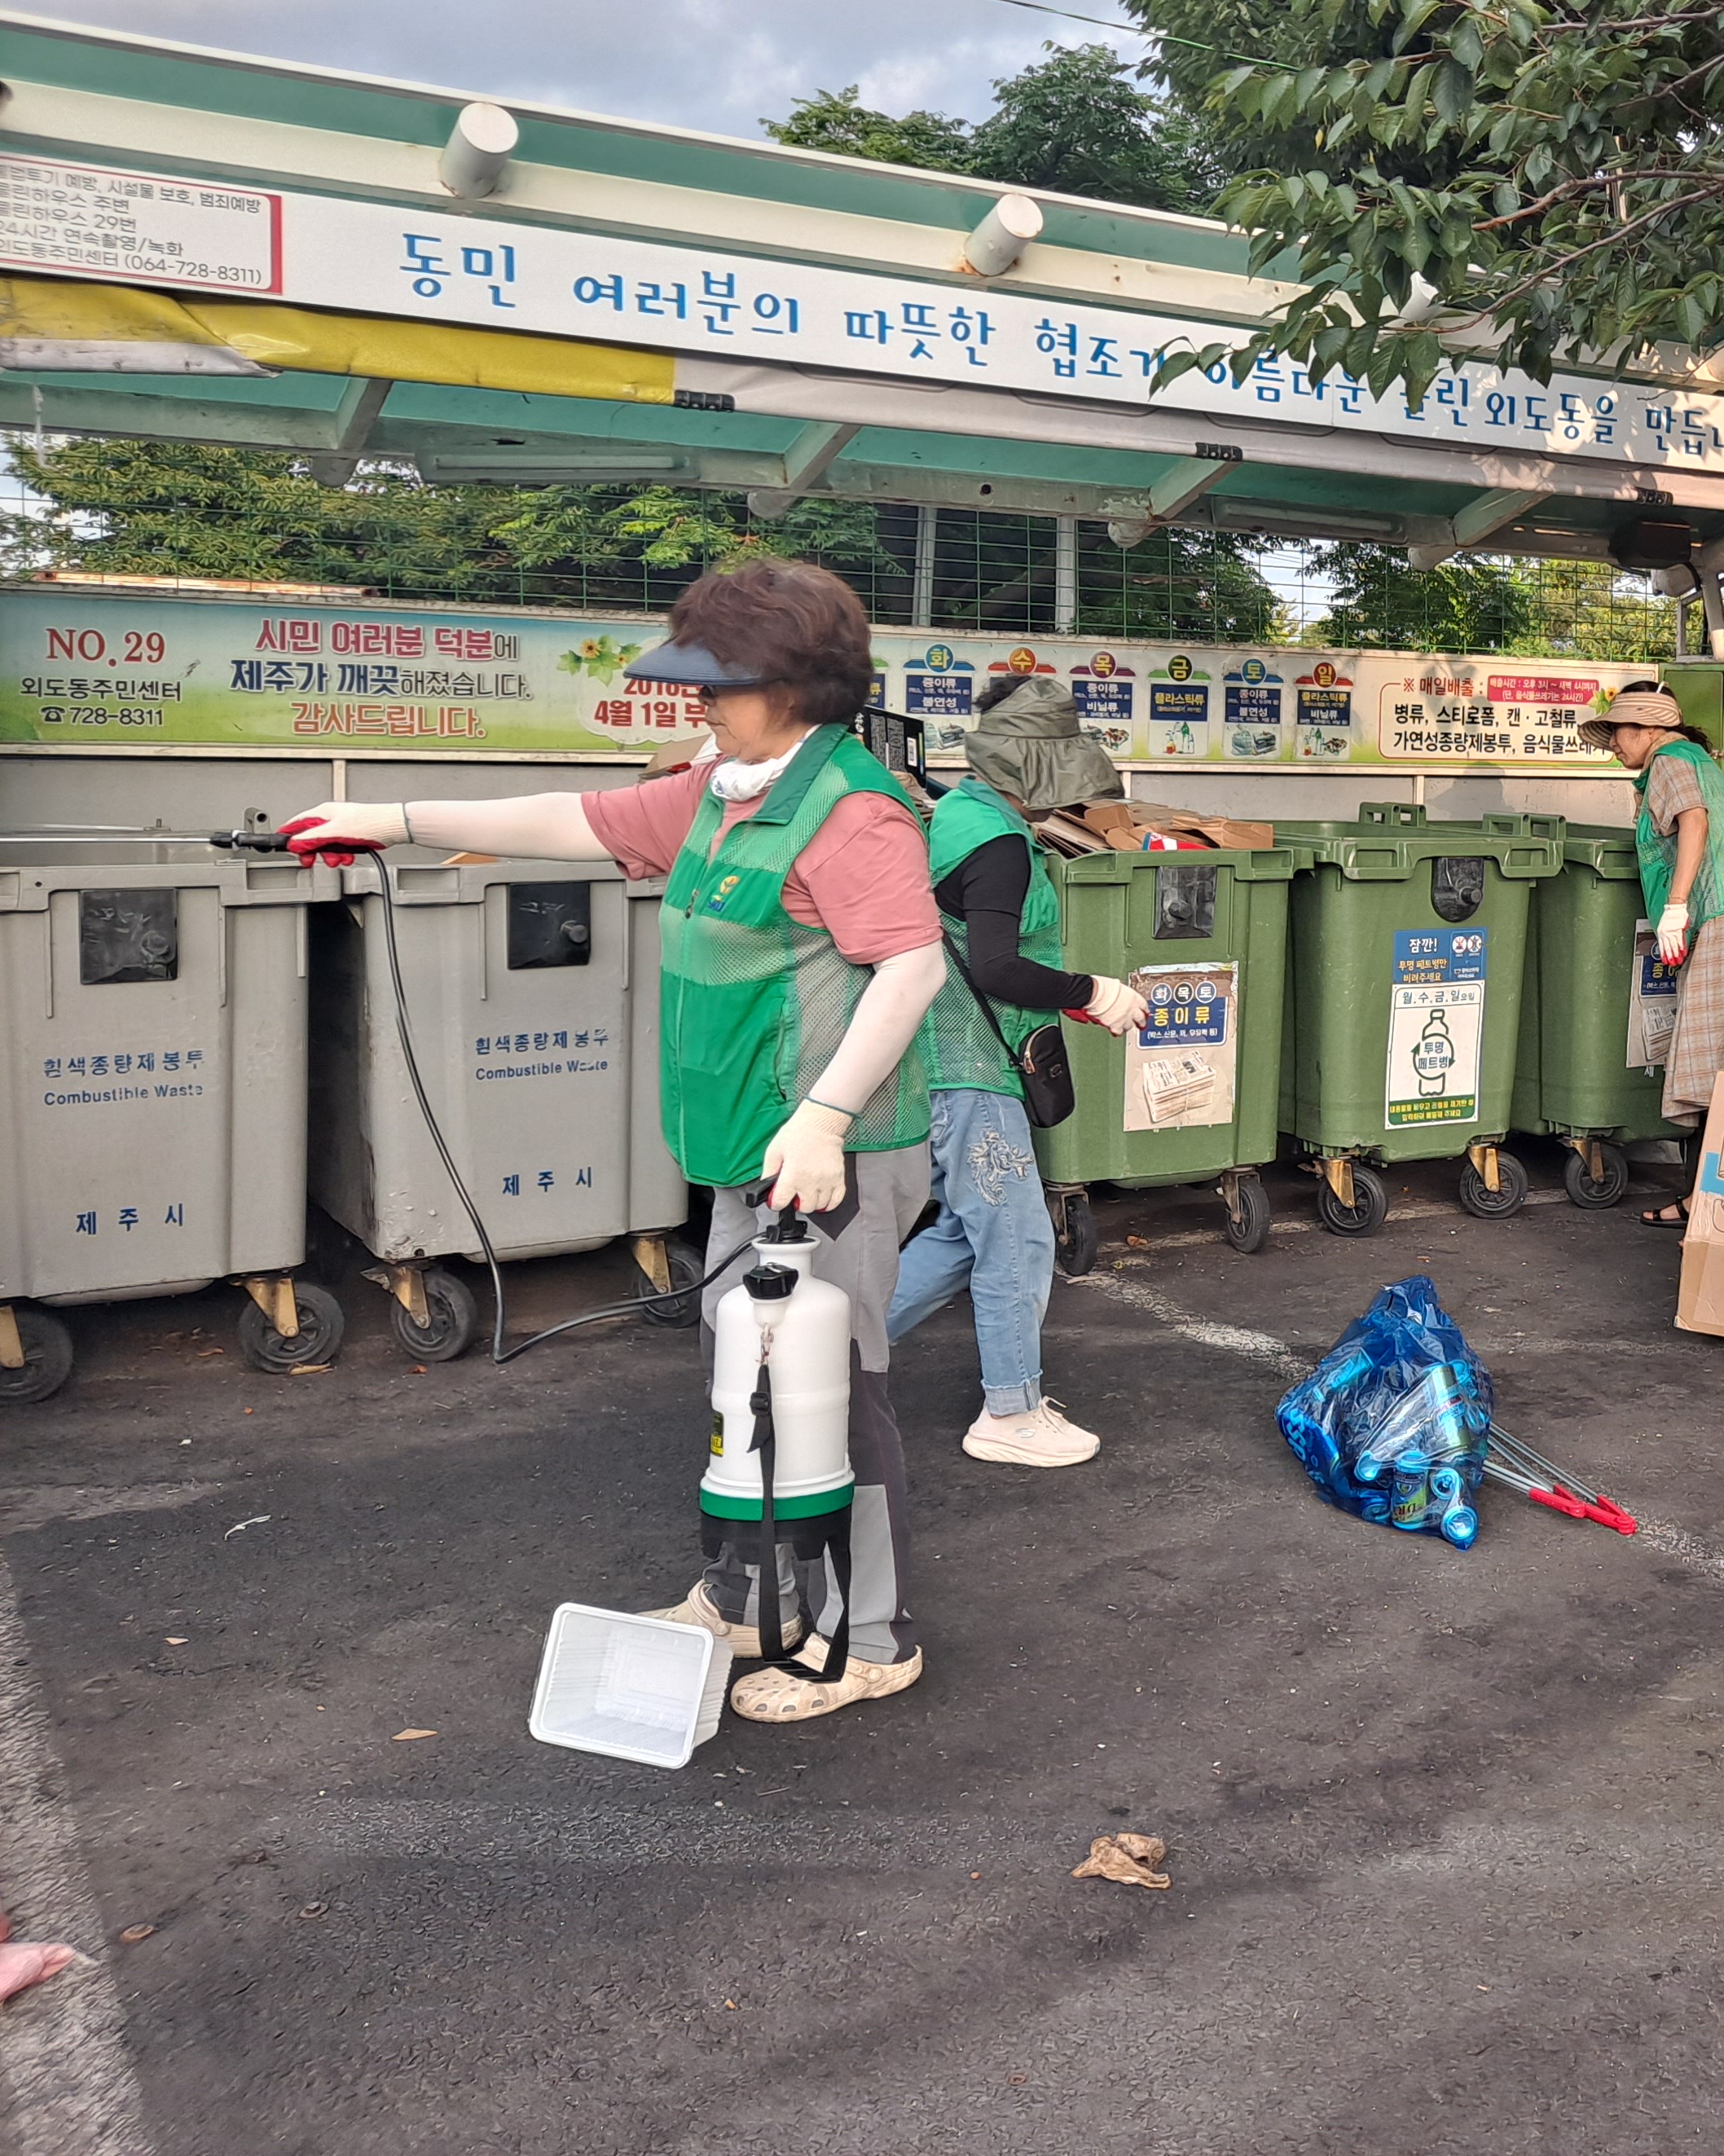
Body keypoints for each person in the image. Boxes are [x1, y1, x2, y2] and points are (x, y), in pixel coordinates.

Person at [276, 559, 948, 1726]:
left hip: (830, 1155)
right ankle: (749, 1598)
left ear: (795, 686)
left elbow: (913, 965)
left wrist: (829, 1117)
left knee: (832, 1386)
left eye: (717, 684)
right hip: (749, 1145)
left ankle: (867, 1639)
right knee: (742, 1370)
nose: (693, 703)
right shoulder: (726, 790)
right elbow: (570, 820)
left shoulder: (853, 813)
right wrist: (387, 817)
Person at [890, 674, 1146, 1467]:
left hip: (948, 1055)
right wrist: (1092, 991)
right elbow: (997, 965)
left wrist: (1067, 996)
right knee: (1017, 1240)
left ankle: (817, 1356)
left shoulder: (964, 814)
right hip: (974, 1065)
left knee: (969, 1235)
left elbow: (976, 948)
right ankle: (1009, 1411)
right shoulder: (999, 844)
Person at [1577, 684, 1724, 1226]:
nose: (1613, 746)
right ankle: (1717, 1199)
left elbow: (1694, 821)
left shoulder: (1670, 759)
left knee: (1713, 1063)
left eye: (1617, 733)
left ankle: (1710, 1203)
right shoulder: (1687, 759)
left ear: (1645, 730)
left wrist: (1678, 906)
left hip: (1722, 916)